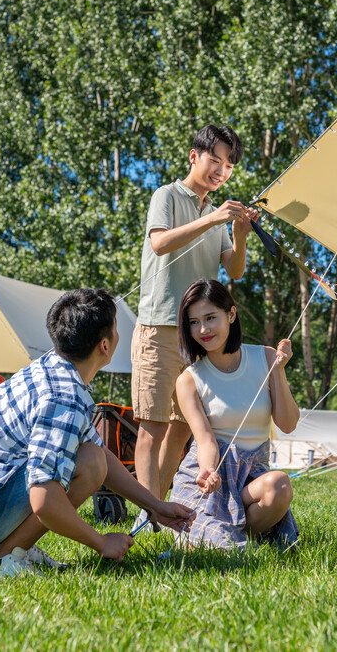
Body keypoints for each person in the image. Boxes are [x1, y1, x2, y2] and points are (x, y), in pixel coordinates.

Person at [0, 288, 194, 576]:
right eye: (115, 328)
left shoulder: (53, 369)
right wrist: (101, 542)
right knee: (88, 465)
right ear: (104, 345)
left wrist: (155, 506)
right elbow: (45, 501)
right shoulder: (63, 398)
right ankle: (0, 561)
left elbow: (100, 456)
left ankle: (14, 547)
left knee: (92, 458)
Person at [131, 125, 258, 529]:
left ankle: (162, 509)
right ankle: (148, 511)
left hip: (197, 334)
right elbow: (160, 243)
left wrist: (238, 234)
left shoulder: (218, 215)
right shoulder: (166, 196)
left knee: (184, 426)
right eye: (215, 160)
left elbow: (233, 270)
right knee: (152, 426)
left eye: (229, 165)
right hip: (158, 326)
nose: (221, 171)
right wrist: (215, 218)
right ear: (194, 157)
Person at [168, 279, 300, 549]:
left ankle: (236, 535)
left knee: (280, 485)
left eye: (210, 318)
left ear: (231, 314)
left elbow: (288, 424)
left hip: (251, 479)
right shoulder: (189, 379)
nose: (202, 329)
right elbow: (205, 440)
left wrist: (280, 370)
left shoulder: (265, 357)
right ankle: (229, 537)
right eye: (193, 322)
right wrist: (208, 471)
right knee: (215, 545)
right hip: (209, 476)